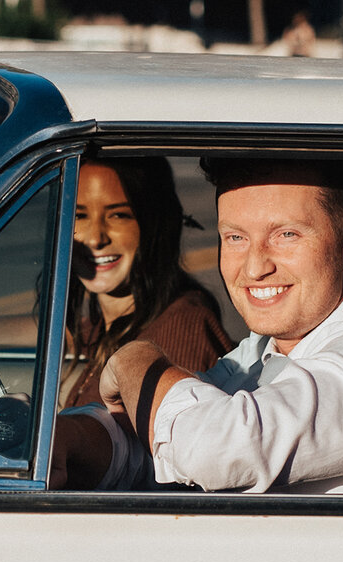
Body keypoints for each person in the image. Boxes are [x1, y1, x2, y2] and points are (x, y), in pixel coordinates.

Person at [94, 155, 343, 495]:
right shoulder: (265, 351)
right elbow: (162, 441)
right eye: (236, 237)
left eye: (286, 235)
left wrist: (135, 360)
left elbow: (214, 448)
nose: (255, 267)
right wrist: (78, 442)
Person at [60, 157, 233, 406]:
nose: (95, 238)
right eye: (80, 215)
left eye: (118, 215)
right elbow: (61, 331)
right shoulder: (114, 326)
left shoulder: (181, 329)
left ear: (154, 223)